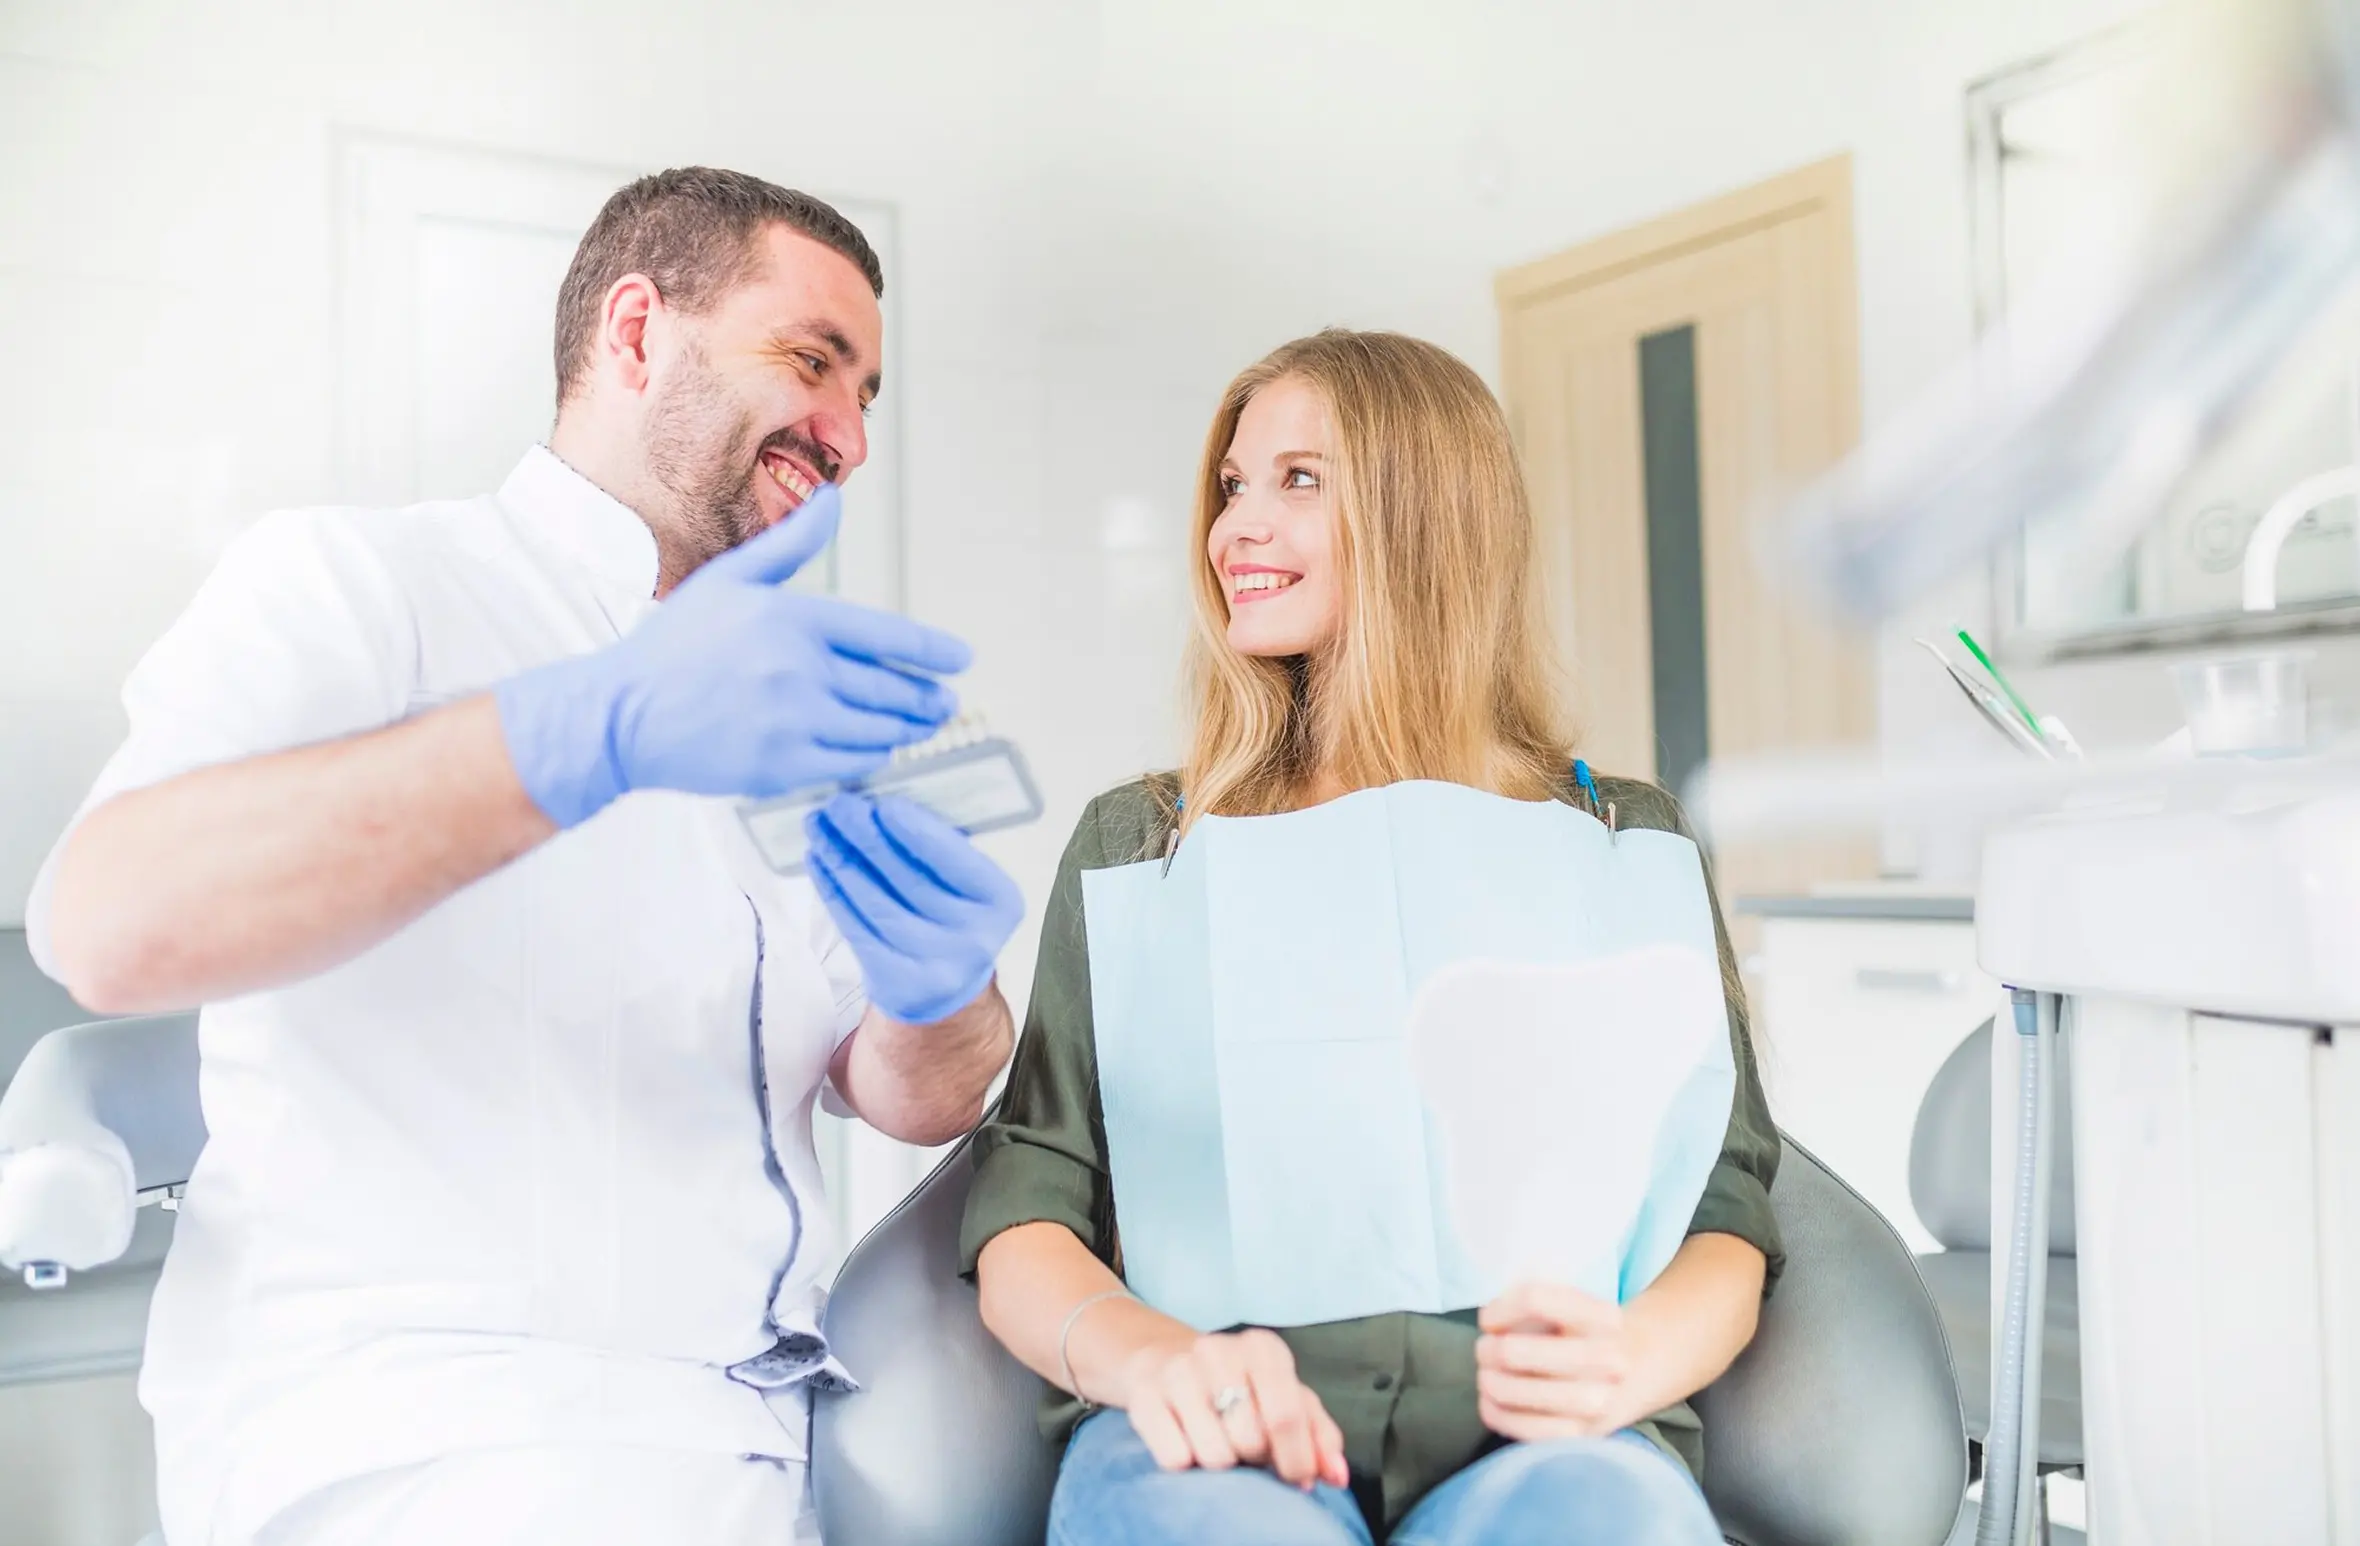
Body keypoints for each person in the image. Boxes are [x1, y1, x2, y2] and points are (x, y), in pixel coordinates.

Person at [29, 168, 1023, 1545]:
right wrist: (580, 734)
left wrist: (944, 990)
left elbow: (912, 1094)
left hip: (763, 1445)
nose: (849, 433)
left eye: (869, 399)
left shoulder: (801, 708)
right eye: (813, 362)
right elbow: (109, 923)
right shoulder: (361, 587)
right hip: (430, 1435)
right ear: (634, 334)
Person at [960, 330, 1781, 1546]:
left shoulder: (1619, 838)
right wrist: (1153, 1367)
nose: (1233, 527)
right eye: (1232, 485)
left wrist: (1629, 1362)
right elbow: (1029, 1199)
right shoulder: (1145, 845)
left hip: (1550, 1433)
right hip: (1214, 1429)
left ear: (1426, 515)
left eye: (1297, 480)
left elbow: (1722, 1198)